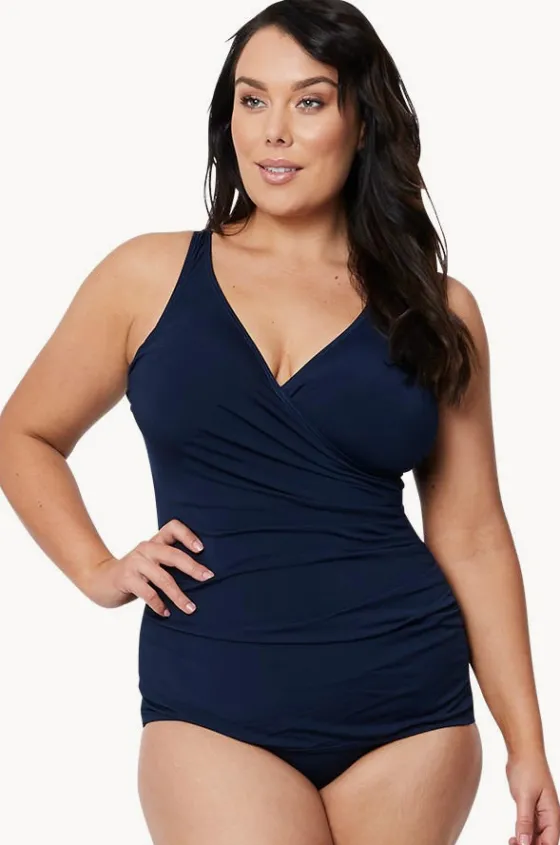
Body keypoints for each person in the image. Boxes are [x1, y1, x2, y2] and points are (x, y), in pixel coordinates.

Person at [0, 1, 558, 843]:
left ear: (362, 122)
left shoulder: (437, 310)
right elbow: (24, 433)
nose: (274, 132)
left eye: (310, 101)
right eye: (252, 99)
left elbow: (473, 533)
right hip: (211, 702)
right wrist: (97, 567)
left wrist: (528, 745)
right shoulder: (145, 276)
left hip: (408, 705)